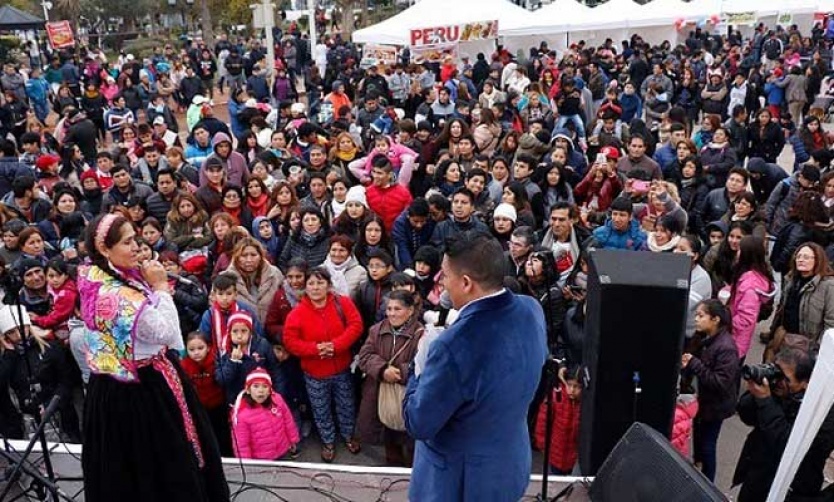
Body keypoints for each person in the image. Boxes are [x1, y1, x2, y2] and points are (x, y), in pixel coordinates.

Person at [77, 214, 229, 501]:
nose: (137, 247)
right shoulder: (122, 296)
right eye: (127, 242)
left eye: (136, 239)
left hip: (110, 384)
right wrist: (160, 287)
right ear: (104, 250)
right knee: (162, 464)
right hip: (143, 390)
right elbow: (170, 334)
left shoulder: (92, 274)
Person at [403, 231, 547, 501]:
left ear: (466, 282)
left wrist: (419, 364)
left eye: (445, 275)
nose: (442, 283)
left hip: (459, 484)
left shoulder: (452, 347)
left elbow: (418, 423)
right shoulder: (531, 309)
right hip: (509, 464)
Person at [283, 266, 364, 463]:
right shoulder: (298, 312)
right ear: (305, 287)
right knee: (321, 408)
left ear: (328, 285)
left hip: (341, 367)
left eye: (320, 282)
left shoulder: (342, 303)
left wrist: (336, 346)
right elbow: (290, 341)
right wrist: (316, 349)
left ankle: (348, 435)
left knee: (346, 404)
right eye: (311, 283)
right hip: (314, 372)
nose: (316, 287)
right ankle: (327, 441)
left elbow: (356, 325)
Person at [733, 349, 834, 501]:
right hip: (757, 477)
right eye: (776, 372)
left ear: (805, 383)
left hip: (789, 488)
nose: (777, 381)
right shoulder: (778, 391)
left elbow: (788, 447)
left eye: (785, 378)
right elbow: (746, 415)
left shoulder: (822, 413)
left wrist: (766, 402)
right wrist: (756, 396)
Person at [357, 290, 424, 466]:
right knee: (388, 438)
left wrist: (400, 372)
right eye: (389, 309)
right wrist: (382, 369)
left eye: (398, 309)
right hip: (380, 394)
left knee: (411, 442)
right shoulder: (376, 330)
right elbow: (364, 356)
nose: (392, 313)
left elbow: (425, 365)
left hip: (408, 395)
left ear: (410, 311)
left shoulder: (421, 334)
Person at [680, 299, 740, 482]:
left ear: (715, 319)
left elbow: (720, 382)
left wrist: (694, 364)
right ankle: (698, 474)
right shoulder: (708, 339)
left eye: (701, 315)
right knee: (700, 442)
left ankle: (707, 484)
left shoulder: (726, 348)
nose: (696, 319)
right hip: (705, 402)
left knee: (708, 445)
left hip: (716, 406)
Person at [766, 242, 834, 359]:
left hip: (808, 347)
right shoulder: (791, 280)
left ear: (817, 260)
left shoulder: (828, 286)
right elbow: (781, 310)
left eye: (806, 257)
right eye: (798, 256)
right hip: (784, 338)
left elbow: (831, 323)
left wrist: (818, 351)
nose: (801, 260)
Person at [231, 367, 300, 460]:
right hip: (262, 459)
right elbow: (242, 445)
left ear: (270, 390)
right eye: (256, 386)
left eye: (265, 386)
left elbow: (288, 421)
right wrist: (247, 464)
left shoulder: (277, 400)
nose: (261, 390)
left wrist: (293, 440)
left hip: (283, 450)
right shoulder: (242, 415)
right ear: (248, 390)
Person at [181, 331, 231, 457]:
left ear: (208, 347)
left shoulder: (215, 361)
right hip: (199, 408)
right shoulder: (185, 365)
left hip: (218, 406)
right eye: (192, 349)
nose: (196, 352)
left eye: (200, 348)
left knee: (222, 434)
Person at [534, 365, 582, 475]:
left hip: (573, 457)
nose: (572, 390)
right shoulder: (556, 396)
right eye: (569, 385)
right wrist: (542, 444)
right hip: (555, 453)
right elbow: (542, 422)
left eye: (577, 387)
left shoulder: (584, 404)